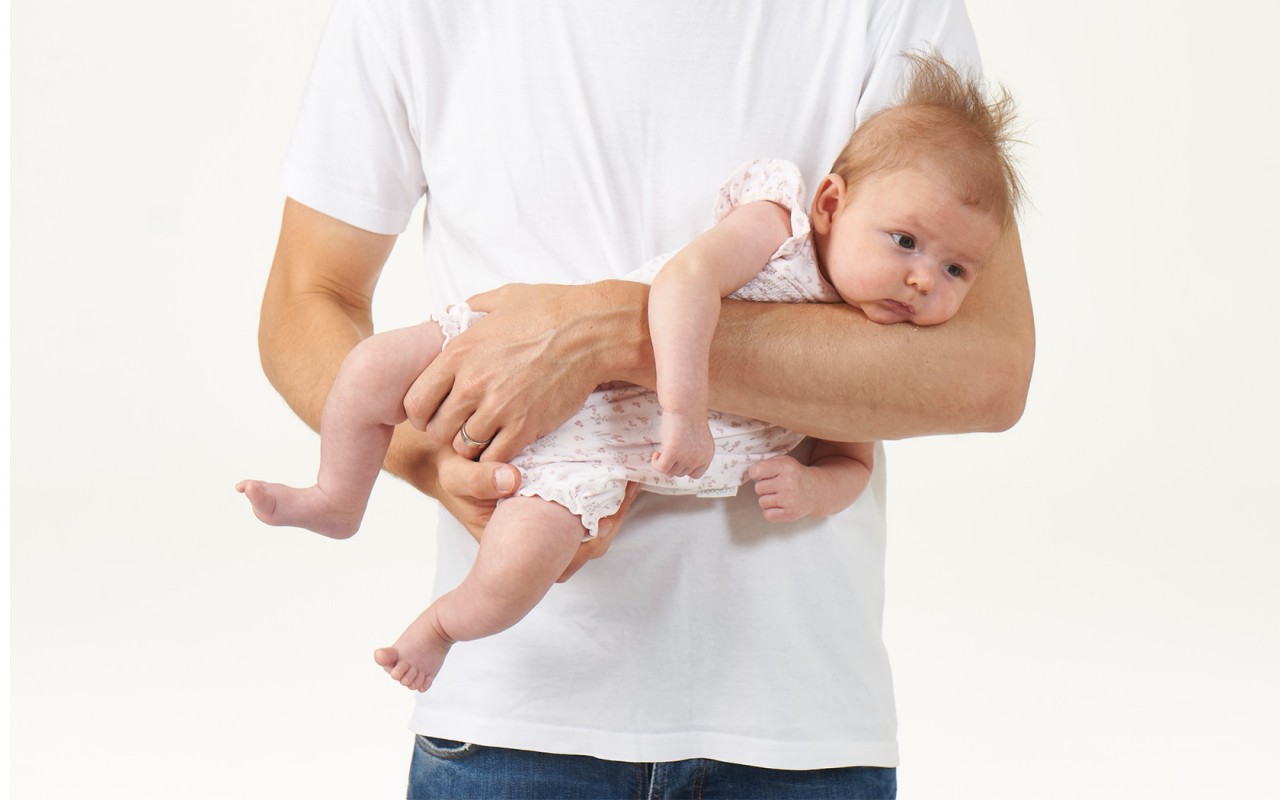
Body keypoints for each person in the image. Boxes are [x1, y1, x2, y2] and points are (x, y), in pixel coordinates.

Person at [256, 1, 1034, 797]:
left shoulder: (889, 11)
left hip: (796, 726)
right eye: (904, 246)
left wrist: (602, 336)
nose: (921, 274)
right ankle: (338, 507)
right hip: (515, 708)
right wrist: (431, 464)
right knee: (381, 373)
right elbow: (308, 297)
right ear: (828, 204)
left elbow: (986, 371)